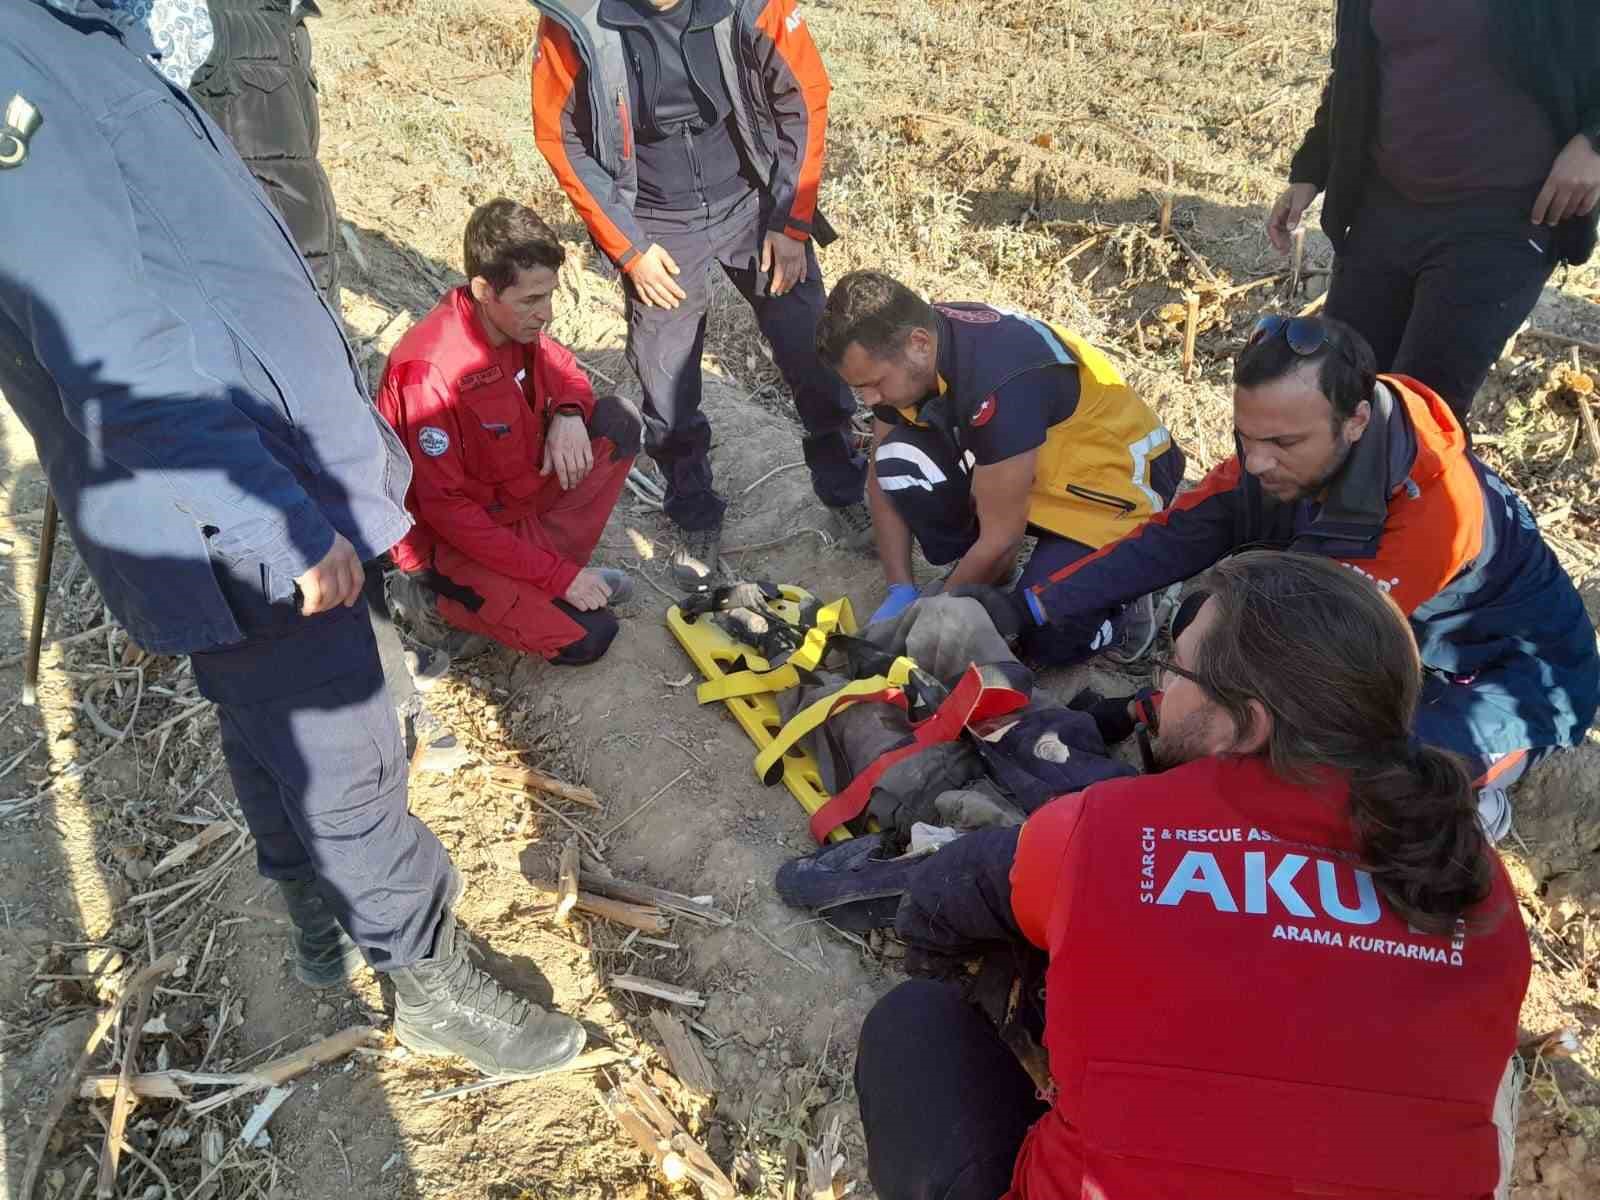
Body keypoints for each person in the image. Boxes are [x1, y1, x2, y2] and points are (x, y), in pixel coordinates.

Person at [0, 0, 584, 1077]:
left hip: (252, 485)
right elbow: (113, 360)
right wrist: (280, 528)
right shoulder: (20, 66)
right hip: (240, 506)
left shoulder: (81, 36)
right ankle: (434, 987)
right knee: (347, 755)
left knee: (271, 727)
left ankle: (317, 920)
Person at [856, 551, 1531, 1200]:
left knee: (913, 1022)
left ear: (1247, 725)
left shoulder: (1108, 830)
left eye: (1176, 672)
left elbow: (950, 895)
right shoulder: (1476, 884)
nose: (1160, 690)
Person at [982, 315, 1599, 841]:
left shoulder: (1436, 512)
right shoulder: (1288, 450)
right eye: (1245, 438)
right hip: (1392, 635)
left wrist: (1154, 709)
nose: (1255, 462)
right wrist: (1031, 606)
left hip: (1506, 680)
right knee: (1208, 625)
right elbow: (1171, 538)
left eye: (1281, 443)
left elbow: (1302, 658)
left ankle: (1469, 807)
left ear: (1356, 421)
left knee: (1354, 783)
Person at [110, 0, 469, 772]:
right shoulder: (160, 22)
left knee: (345, 490)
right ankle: (379, 717)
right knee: (300, 518)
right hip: (234, 325)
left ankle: (385, 674)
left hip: (306, 299)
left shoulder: (276, 18)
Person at [531, 0, 869, 588]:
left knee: (810, 349)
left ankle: (844, 488)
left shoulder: (752, 4)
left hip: (754, 199)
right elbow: (561, 138)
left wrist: (791, 223)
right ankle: (693, 512)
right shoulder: (575, 18)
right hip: (657, 221)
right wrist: (630, 248)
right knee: (667, 383)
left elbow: (803, 98)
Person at [814, 271, 1184, 664]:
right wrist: (900, 590)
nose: (870, 400)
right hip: (1034, 472)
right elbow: (880, 474)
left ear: (918, 344)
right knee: (899, 459)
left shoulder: (998, 383)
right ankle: (990, 576)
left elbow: (1002, 538)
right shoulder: (914, 346)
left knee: (1045, 641)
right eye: (860, 388)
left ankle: (1127, 611)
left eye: (874, 384)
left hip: (1115, 489)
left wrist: (925, 619)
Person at [1268, 0, 1600, 426]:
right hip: (1383, 209)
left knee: (1415, 420)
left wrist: (1593, 142)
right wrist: (1311, 171)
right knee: (1338, 395)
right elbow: (1354, 69)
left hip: (1502, 222)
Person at [376, 199, 642, 666]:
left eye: (550, 295)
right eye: (532, 300)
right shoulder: (430, 373)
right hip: (453, 547)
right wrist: (558, 577)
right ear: (483, 288)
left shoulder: (516, 329)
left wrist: (567, 413)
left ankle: (545, 578)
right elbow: (448, 514)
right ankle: (432, 605)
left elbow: (570, 376)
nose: (548, 314)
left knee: (617, 421)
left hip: (514, 512)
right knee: (589, 637)